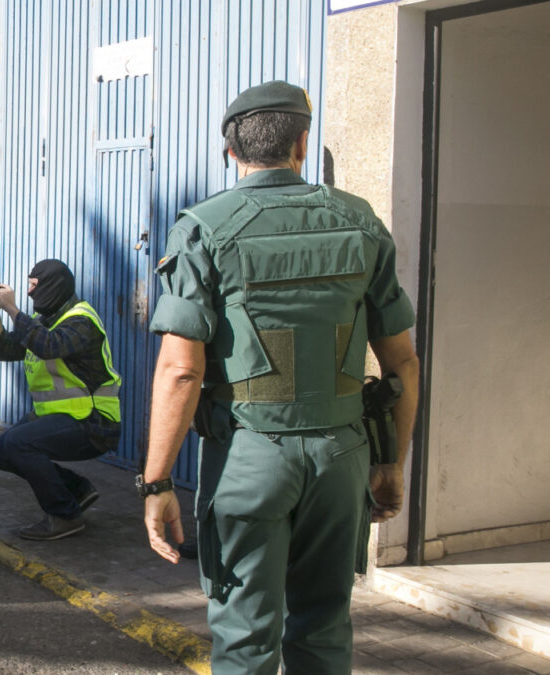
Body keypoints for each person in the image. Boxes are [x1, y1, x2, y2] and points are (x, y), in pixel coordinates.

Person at [140, 81, 420, 674]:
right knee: (323, 626)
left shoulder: (202, 229)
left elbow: (181, 369)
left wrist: (156, 483)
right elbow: (402, 363)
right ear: (302, 143)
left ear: (231, 152)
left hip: (249, 456)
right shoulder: (359, 221)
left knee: (245, 637)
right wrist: (391, 461)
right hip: (342, 454)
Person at [0, 260, 122, 541]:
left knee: (18, 444)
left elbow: (50, 346)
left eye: (35, 286)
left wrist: (12, 309)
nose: (30, 293)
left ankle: (64, 516)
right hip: (60, 418)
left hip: (94, 422)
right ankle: (76, 490)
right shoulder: (44, 322)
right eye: (29, 286)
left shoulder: (82, 321)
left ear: (53, 287)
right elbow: (3, 349)